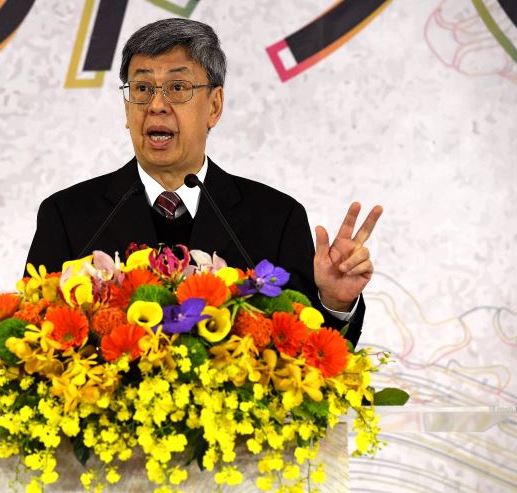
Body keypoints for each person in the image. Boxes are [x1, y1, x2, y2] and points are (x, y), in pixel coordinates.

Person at [25, 18, 382, 345]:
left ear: (214, 106)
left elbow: (312, 351)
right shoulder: (67, 216)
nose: (156, 105)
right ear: (127, 107)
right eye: (142, 88)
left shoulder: (276, 218)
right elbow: (32, 335)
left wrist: (334, 302)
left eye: (177, 87)